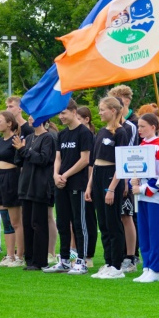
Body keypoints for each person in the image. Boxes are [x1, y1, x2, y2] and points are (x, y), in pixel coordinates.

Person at [44, 100, 91, 275]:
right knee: (62, 222)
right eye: (59, 113)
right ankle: (63, 260)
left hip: (77, 183)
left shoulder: (84, 133)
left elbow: (85, 160)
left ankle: (81, 261)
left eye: (63, 113)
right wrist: (56, 175)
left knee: (79, 223)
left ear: (73, 111)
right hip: (60, 184)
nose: (61, 116)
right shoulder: (62, 134)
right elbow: (58, 158)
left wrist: (66, 175)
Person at [87, 97, 129, 279]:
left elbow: (121, 163)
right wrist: (89, 185)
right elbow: (95, 161)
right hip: (98, 176)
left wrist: (111, 189)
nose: (100, 113)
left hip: (111, 177)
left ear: (113, 110)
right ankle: (108, 262)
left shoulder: (121, 133)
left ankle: (117, 266)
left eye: (102, 109)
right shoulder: (101, 132)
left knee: (113, 223)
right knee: (103, 223)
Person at [13, 118, 56, 271]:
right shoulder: (30, 137)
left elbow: (43, 159)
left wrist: (24, 150)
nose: (29, 118)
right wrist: (19, 149)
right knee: (27, 223)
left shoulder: (48, 137)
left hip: (40, 186)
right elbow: (19, 160)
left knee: (38, 224)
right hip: (26, 185)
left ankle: (40, 261)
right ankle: (30, 259)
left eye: (33, 115)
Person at [131, 113, 159, 283]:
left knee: (155, 233)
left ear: (153, 127)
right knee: (144, 233)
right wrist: (133, 181)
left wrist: (143, 189)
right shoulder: (142, 145)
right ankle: (147, 267)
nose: (139, 129)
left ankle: (155, 269)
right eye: (138, 126)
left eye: (142, 126)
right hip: (141, 196)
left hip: (154, 196)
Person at [108, 85, 139, 272]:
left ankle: (131, 256)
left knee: (126, 216)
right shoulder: (108, 128)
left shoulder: (129, 127)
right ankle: (115, 256)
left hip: (124, 178)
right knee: (114, 218)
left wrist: (126, 180)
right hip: (109, 177)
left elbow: (129, 154)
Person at [0, 111, 24, 267]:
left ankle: (20, 256)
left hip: (11, 178)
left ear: (9, 123)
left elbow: (21, 161)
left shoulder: (16, 140)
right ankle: (9, 255)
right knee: (6, 221)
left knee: (16, 221)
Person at [76, 106, 98, 268]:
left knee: (88, 218)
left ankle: (88, 254)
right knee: (77, 219)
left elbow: (90, 162)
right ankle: (77, 251)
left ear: (86, 119)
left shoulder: (89, 136)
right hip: (77, 181)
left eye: (79, 118)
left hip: (88, 182)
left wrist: (90, 183)